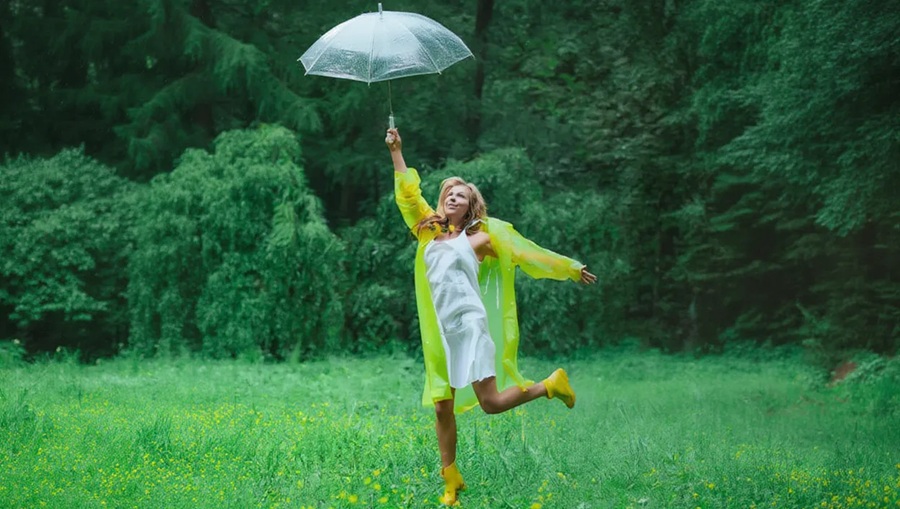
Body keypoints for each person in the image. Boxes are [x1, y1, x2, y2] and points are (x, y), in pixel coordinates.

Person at [386, 128, 597, 506]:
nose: (453, 196)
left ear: (470, 207)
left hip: (469, 325)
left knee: (491, 403)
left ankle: (550, 385)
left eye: (461, 195)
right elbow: (407, 194)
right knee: (441, 405)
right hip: (439, 333)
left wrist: (568, 267)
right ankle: (451, 480)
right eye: (449, 192)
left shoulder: (481, 239)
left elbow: (526, 252)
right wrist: (397, 152)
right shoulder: (428, 232)